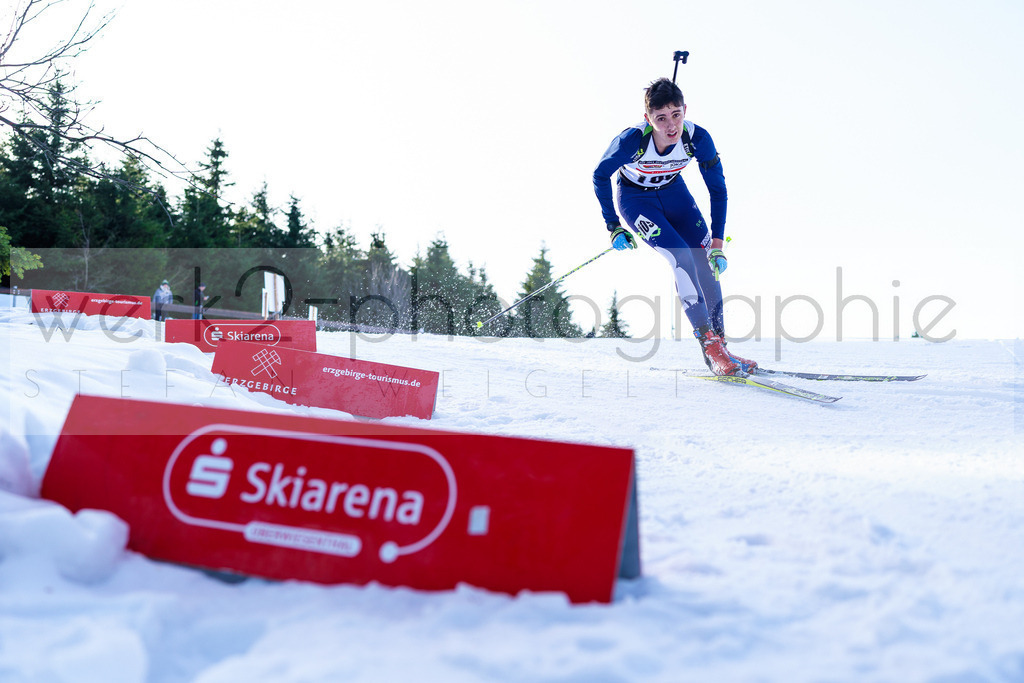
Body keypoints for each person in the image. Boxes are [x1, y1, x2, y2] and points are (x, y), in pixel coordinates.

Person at [593, 77, 757, 376]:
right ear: (648, 119)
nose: (671, 126)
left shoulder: (698, 138)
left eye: (676, 115)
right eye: (661, 118)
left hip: (674, 193)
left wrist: (717, 245)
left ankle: (722, 345)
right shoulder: (631, 141)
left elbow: (718, 190)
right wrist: (613, 226)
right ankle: (709, 346)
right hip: (636, 201)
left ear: (685, 110)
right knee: (681, 256)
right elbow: (600, 175)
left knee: (704, 258)